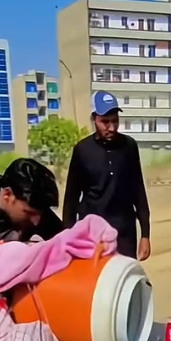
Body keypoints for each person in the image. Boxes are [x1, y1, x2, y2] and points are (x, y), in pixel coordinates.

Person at [62, 92, 151, 261]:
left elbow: (138, 191)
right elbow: (71, 199)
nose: (111, 127)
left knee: (124, 281)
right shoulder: (82, 150)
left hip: (124, 234)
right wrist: (68, 238)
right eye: (105, 122)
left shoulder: (129, 147)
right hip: (93, 235)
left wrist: (145, 235)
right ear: (94, 119)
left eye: (115, 121)